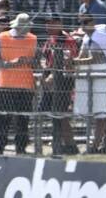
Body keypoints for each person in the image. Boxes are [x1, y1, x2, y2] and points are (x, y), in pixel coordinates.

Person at [73, 13, 106, 153]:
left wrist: (71, 62)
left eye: (86, 22)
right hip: (98, 80)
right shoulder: (88, 38)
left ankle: (96, 146)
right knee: (101, 113)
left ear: (93, 21)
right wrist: (73, 61)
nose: (83, 25)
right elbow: (82, 56)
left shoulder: (97, 38)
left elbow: (93, 59)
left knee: (102, 113)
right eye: (81, 22)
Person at [0, 12, 37, 155]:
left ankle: (21, 149)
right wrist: (13, 63)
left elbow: (37, 61)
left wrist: (31, 62)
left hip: (26, 86)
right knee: (3, 120)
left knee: (23, 121)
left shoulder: (33, 39)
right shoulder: (2, 37)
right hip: (6, 86)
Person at [39, 12, 78, 155]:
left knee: (60, 114)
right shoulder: (51, 39)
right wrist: (44, 69)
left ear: (60, 23)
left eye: (52, 22)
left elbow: (67, 61)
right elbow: (45, 57)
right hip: (49, 80)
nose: (48, 25)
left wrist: (52, 75)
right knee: (52, 113)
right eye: (47, 22)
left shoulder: (67, 40)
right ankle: (62, 143)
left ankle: (70, 145)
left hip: (63, 82)